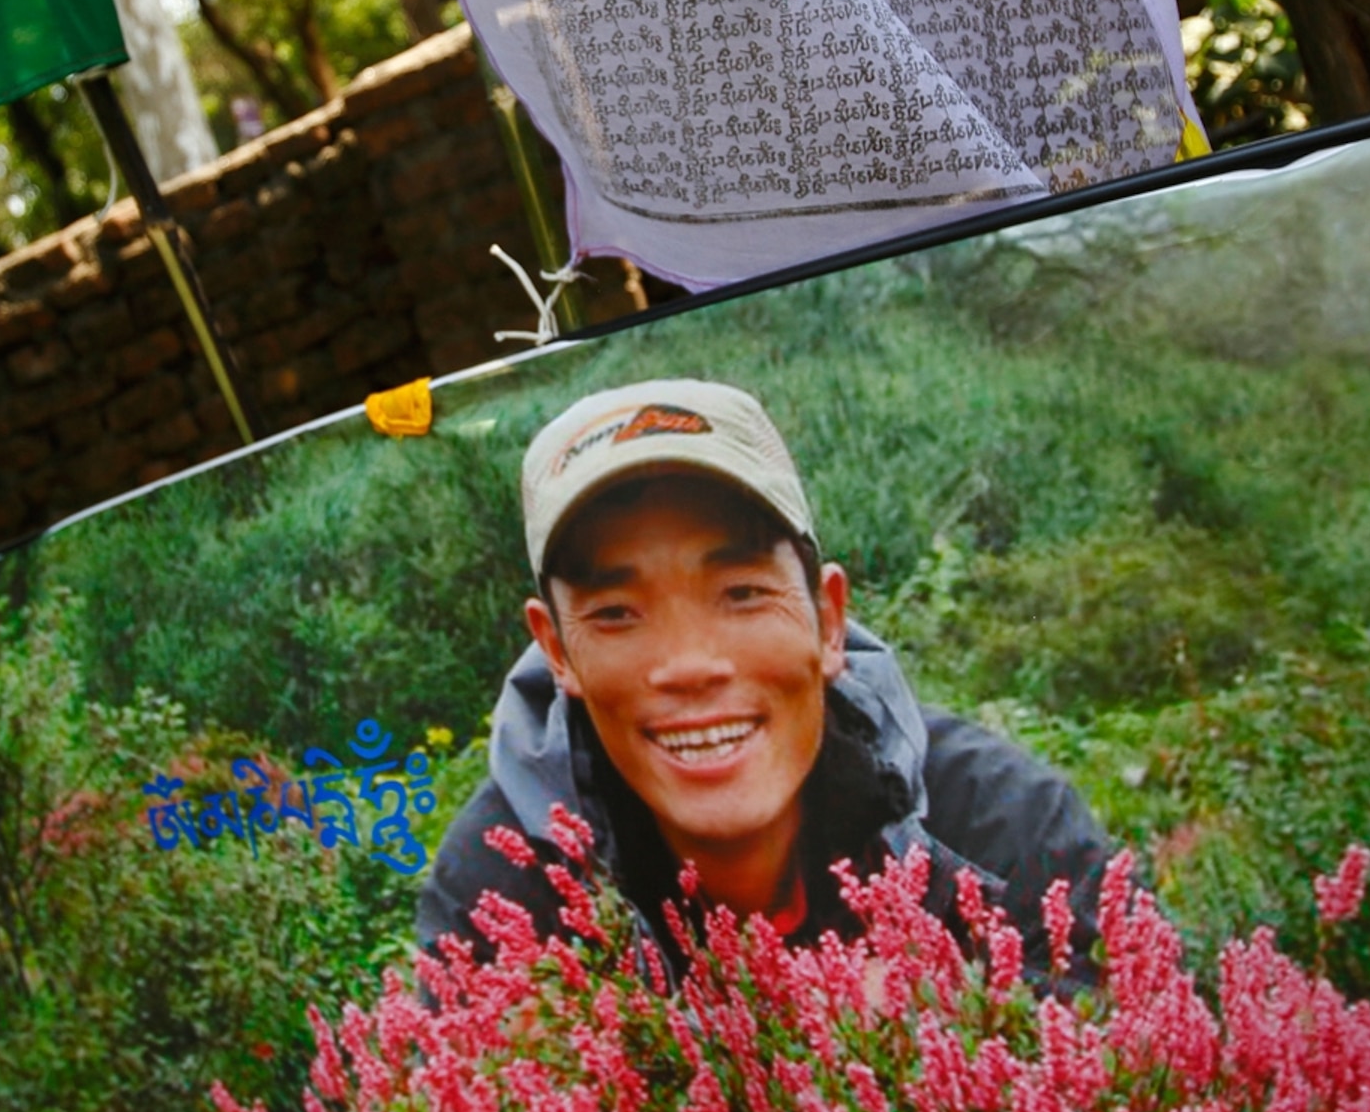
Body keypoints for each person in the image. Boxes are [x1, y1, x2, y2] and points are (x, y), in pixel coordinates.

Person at [417, 379, 1114, 975]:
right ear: (557, 649)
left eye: (743, 593)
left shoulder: (1002, 826)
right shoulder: (502, 889)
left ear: (827, 618)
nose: (690, 664)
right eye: (617, 612)